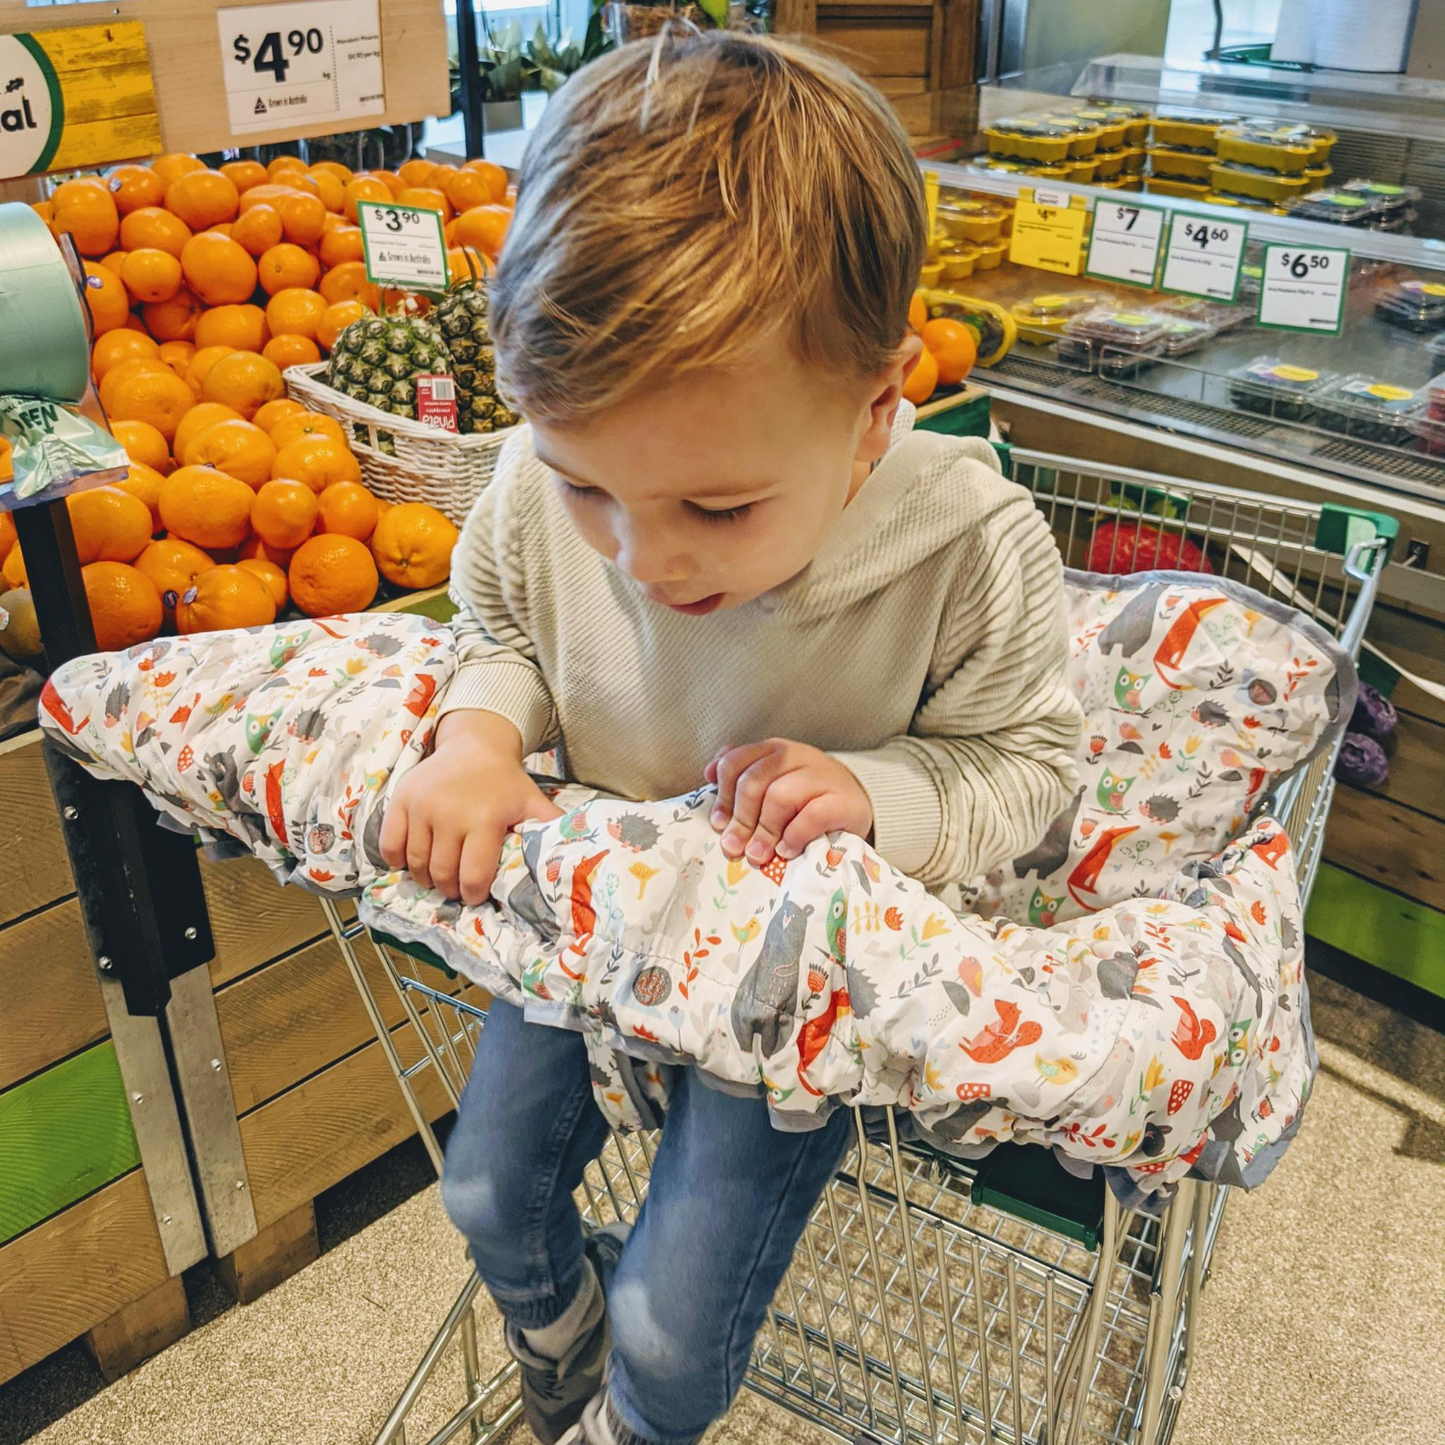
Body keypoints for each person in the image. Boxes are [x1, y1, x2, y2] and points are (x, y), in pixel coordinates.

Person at [379, 27, 1082, 1445]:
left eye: (716, 510)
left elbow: (1030, 769)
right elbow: (501, 632)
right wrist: (477, 740)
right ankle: (560, 1341)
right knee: (483, 1191)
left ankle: (631, 1412)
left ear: (880, 407)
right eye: (591, 491)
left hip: (789, 977)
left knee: (674, 1325)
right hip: (598, 920)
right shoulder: (537, 478)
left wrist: (879, 792)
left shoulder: (973, 545)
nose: (641, 560)